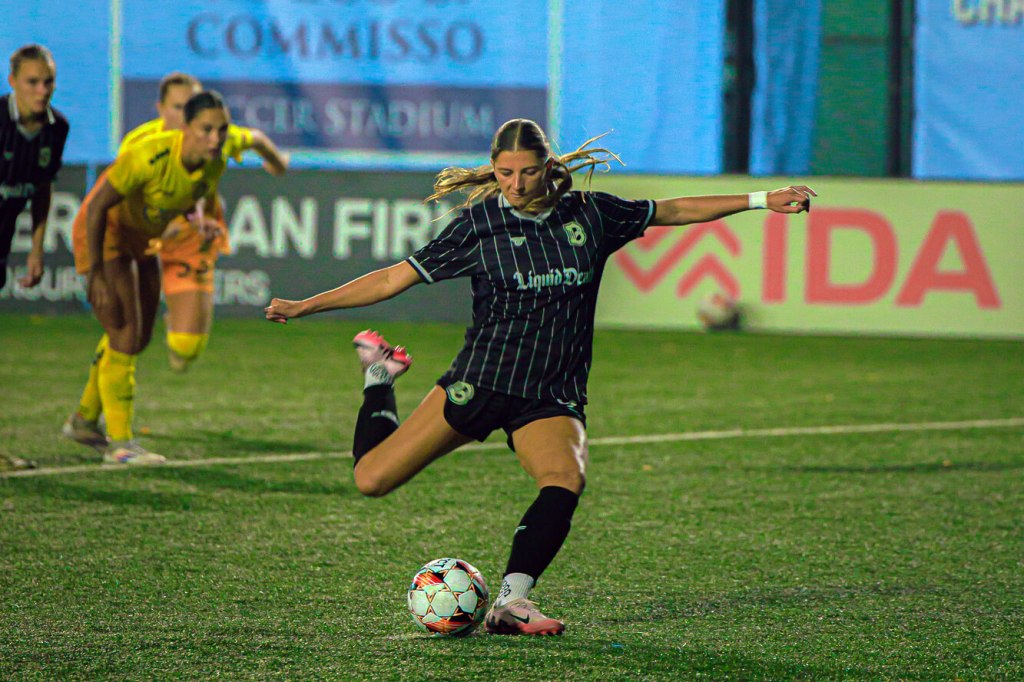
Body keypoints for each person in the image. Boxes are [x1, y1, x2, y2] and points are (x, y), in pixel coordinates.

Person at [264, 118, 815, 635]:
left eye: (527, 171)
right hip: (481, 381)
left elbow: (670, 210)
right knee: (371, 480)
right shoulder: (479, 225)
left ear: (549, 167)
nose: (516, 184)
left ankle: (510, 601)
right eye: (505, 173)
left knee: (565, 478)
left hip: (551, 393)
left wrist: (761, 199)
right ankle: (380, 379)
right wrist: (306, 305)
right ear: (493, 168)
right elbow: (391, 279)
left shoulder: (590, 215)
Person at [62, 91, 232, 465]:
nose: (216, 138)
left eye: (222, 130)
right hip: (105, 235)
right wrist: (95, 274)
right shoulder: (147, 155)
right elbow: (97, 209)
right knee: (124, 331)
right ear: (185, 128)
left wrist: (195, 221)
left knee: (138, 337)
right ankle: (119, 444)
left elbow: (188, 200)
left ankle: (83, 420)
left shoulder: (213, 165)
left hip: (142, 240)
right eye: (206, 129)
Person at [123, 72, 289, 372]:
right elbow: (119, 202)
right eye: (178, 107)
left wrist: (277, 164)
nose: (189, 114)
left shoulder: (217, 140)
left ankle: (177, 320)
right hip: (142, 233)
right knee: (125, 336)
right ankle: (86, 414)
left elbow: (257, 139)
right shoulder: (140, 146)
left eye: (194, 105)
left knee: (185, 351)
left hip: (191, 236)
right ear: (160, 108)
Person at [0, 44, 69, 470]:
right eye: (32, 82)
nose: (41, 90)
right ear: (12, 83)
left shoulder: (55, 128)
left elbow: (42, 188)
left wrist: (37, 249)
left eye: (48, 82)